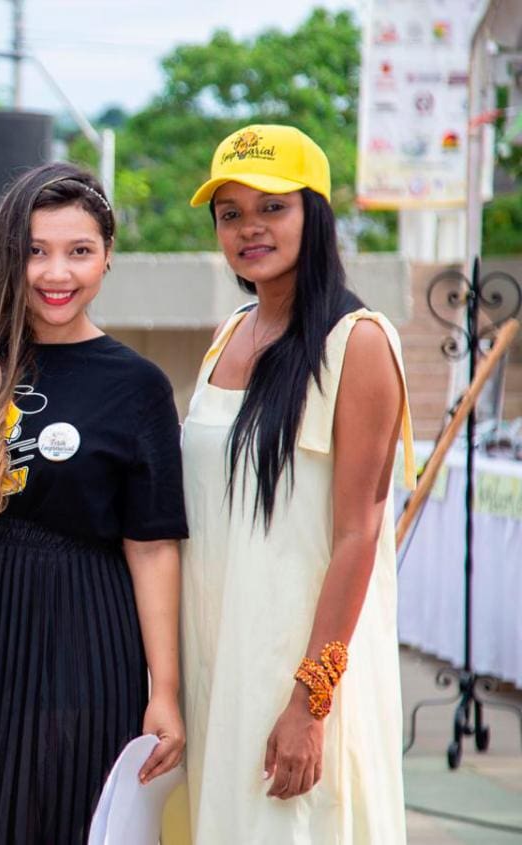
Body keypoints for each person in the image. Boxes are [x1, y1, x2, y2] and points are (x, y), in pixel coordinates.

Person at [0, 162, 187, 843]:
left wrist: (165, 690)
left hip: (82, 635)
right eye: (34, 251)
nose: (55, 273)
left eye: (79, 251)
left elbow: (153, 544)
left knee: (55, 814)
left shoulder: (137, 385)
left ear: (108, 256)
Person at [179, 124, 414, 843]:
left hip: (297, 677)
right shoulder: (229, 333)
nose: (249, 227)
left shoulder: (357, 341)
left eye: (272, 207)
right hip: (217, 665)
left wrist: (310, 703)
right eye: (230, 213)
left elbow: (359, 532)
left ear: (316, 214)